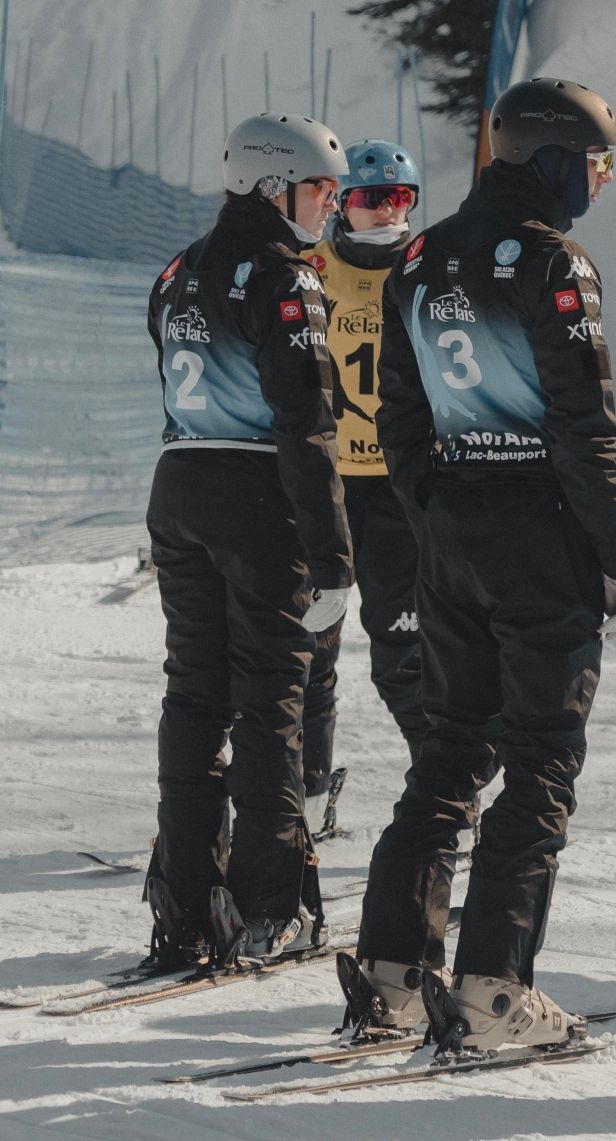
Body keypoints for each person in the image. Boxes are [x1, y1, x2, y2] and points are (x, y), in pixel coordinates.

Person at [342, 77, 616, 1053]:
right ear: (559, 160)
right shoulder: (554, 260)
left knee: (450, 746)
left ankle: (392, 972)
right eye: (597, 163)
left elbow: (398, 418)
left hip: (450, 536)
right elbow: (580, 424)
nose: (598, 181)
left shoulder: (423, 257)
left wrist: (436, 510)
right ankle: (491, 990)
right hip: (537, 537)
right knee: (541, 757)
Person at [143, 113, 353, 968]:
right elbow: (307, 423)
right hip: (255, 497)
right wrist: (335, 557)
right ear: (274, 187)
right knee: (272, 698)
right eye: (319, 190)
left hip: (178, 485)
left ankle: (185, 900)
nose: (330, 208)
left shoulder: (178, 268)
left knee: (195, 692)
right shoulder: (284, 280)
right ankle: (272, 906)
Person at [299, 140, 427, 841]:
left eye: (401, 198)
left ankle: (446, 798)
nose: (386, 211)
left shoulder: (426, 268)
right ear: (343, 204)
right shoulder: (314, 268)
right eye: (371, 197)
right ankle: (307, 798)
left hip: (398, 490)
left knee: (403, 658)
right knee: (308, 649)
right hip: (325, 480)